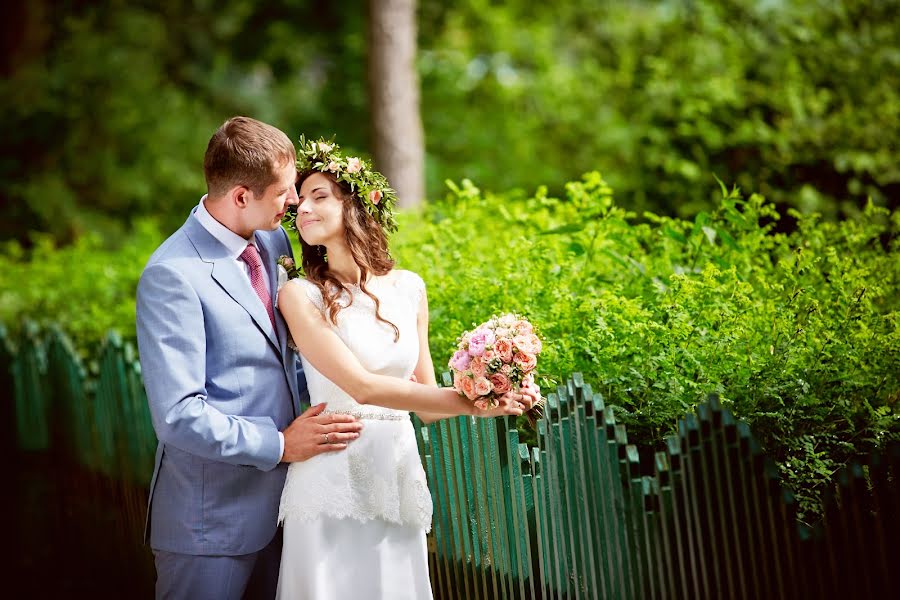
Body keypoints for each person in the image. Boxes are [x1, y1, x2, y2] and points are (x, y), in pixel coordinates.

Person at [274, 138, 540, 599]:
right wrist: (473, 404)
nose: (304, 209)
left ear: (355, 205)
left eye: (320, 196)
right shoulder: (299, 294)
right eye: (301, 202)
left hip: (396, 470)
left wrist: (492, 393)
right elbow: (360, 386)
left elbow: (429, 403)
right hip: (333, 468)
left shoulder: (410, 288)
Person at [136, 117, 364, 600]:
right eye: (284, 191)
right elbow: (178, 416)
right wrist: (280, 444)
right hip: (211, 525)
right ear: (241, 195)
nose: (296, 201)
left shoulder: (273, 241)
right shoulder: (173, 275)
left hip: (289, 510)